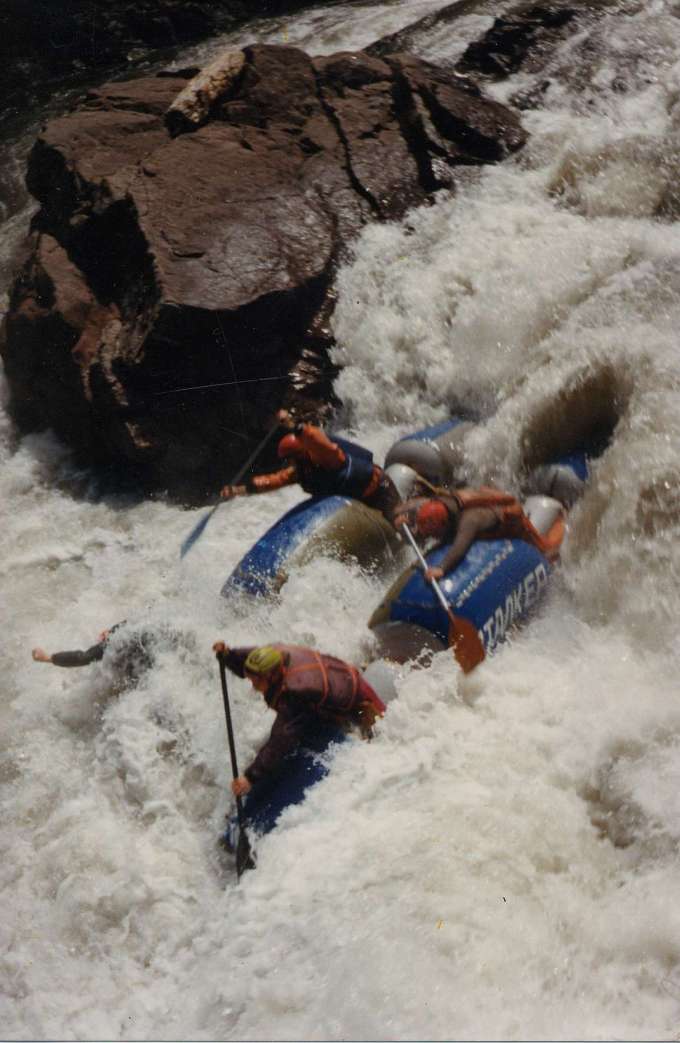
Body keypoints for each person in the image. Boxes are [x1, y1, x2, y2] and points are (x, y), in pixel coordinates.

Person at [212, 641, 386, 796]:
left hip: (360, 701)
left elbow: (281, 739)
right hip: (339, 677)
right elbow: (248, 658)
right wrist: (228, 655)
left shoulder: (294, 692)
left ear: (272, 676)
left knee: (379, 740)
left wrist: (250, 778)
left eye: (257, 681)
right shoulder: (274, 655)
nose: (253, 685)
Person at [220, 410, 401, 521]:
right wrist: (237, 491)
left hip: (379, 489)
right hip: (360, 500)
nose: (290, 463)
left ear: (300, 452)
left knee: (401, 524)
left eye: (291, 458)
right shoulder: (300, 472)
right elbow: (271, 481)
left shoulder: (327, 457)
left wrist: (291, 424)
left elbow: (313, 437)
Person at [394, 485, 563, 583]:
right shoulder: (437, 505)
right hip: (485, 508)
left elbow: (460, 548)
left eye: (434, 533)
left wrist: (441, 568)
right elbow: (408, 511)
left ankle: (562, 530)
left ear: (444, 524)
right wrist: (405, 522)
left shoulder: (470, 520)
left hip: (511, 522)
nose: (431, 536)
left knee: (546, 553)